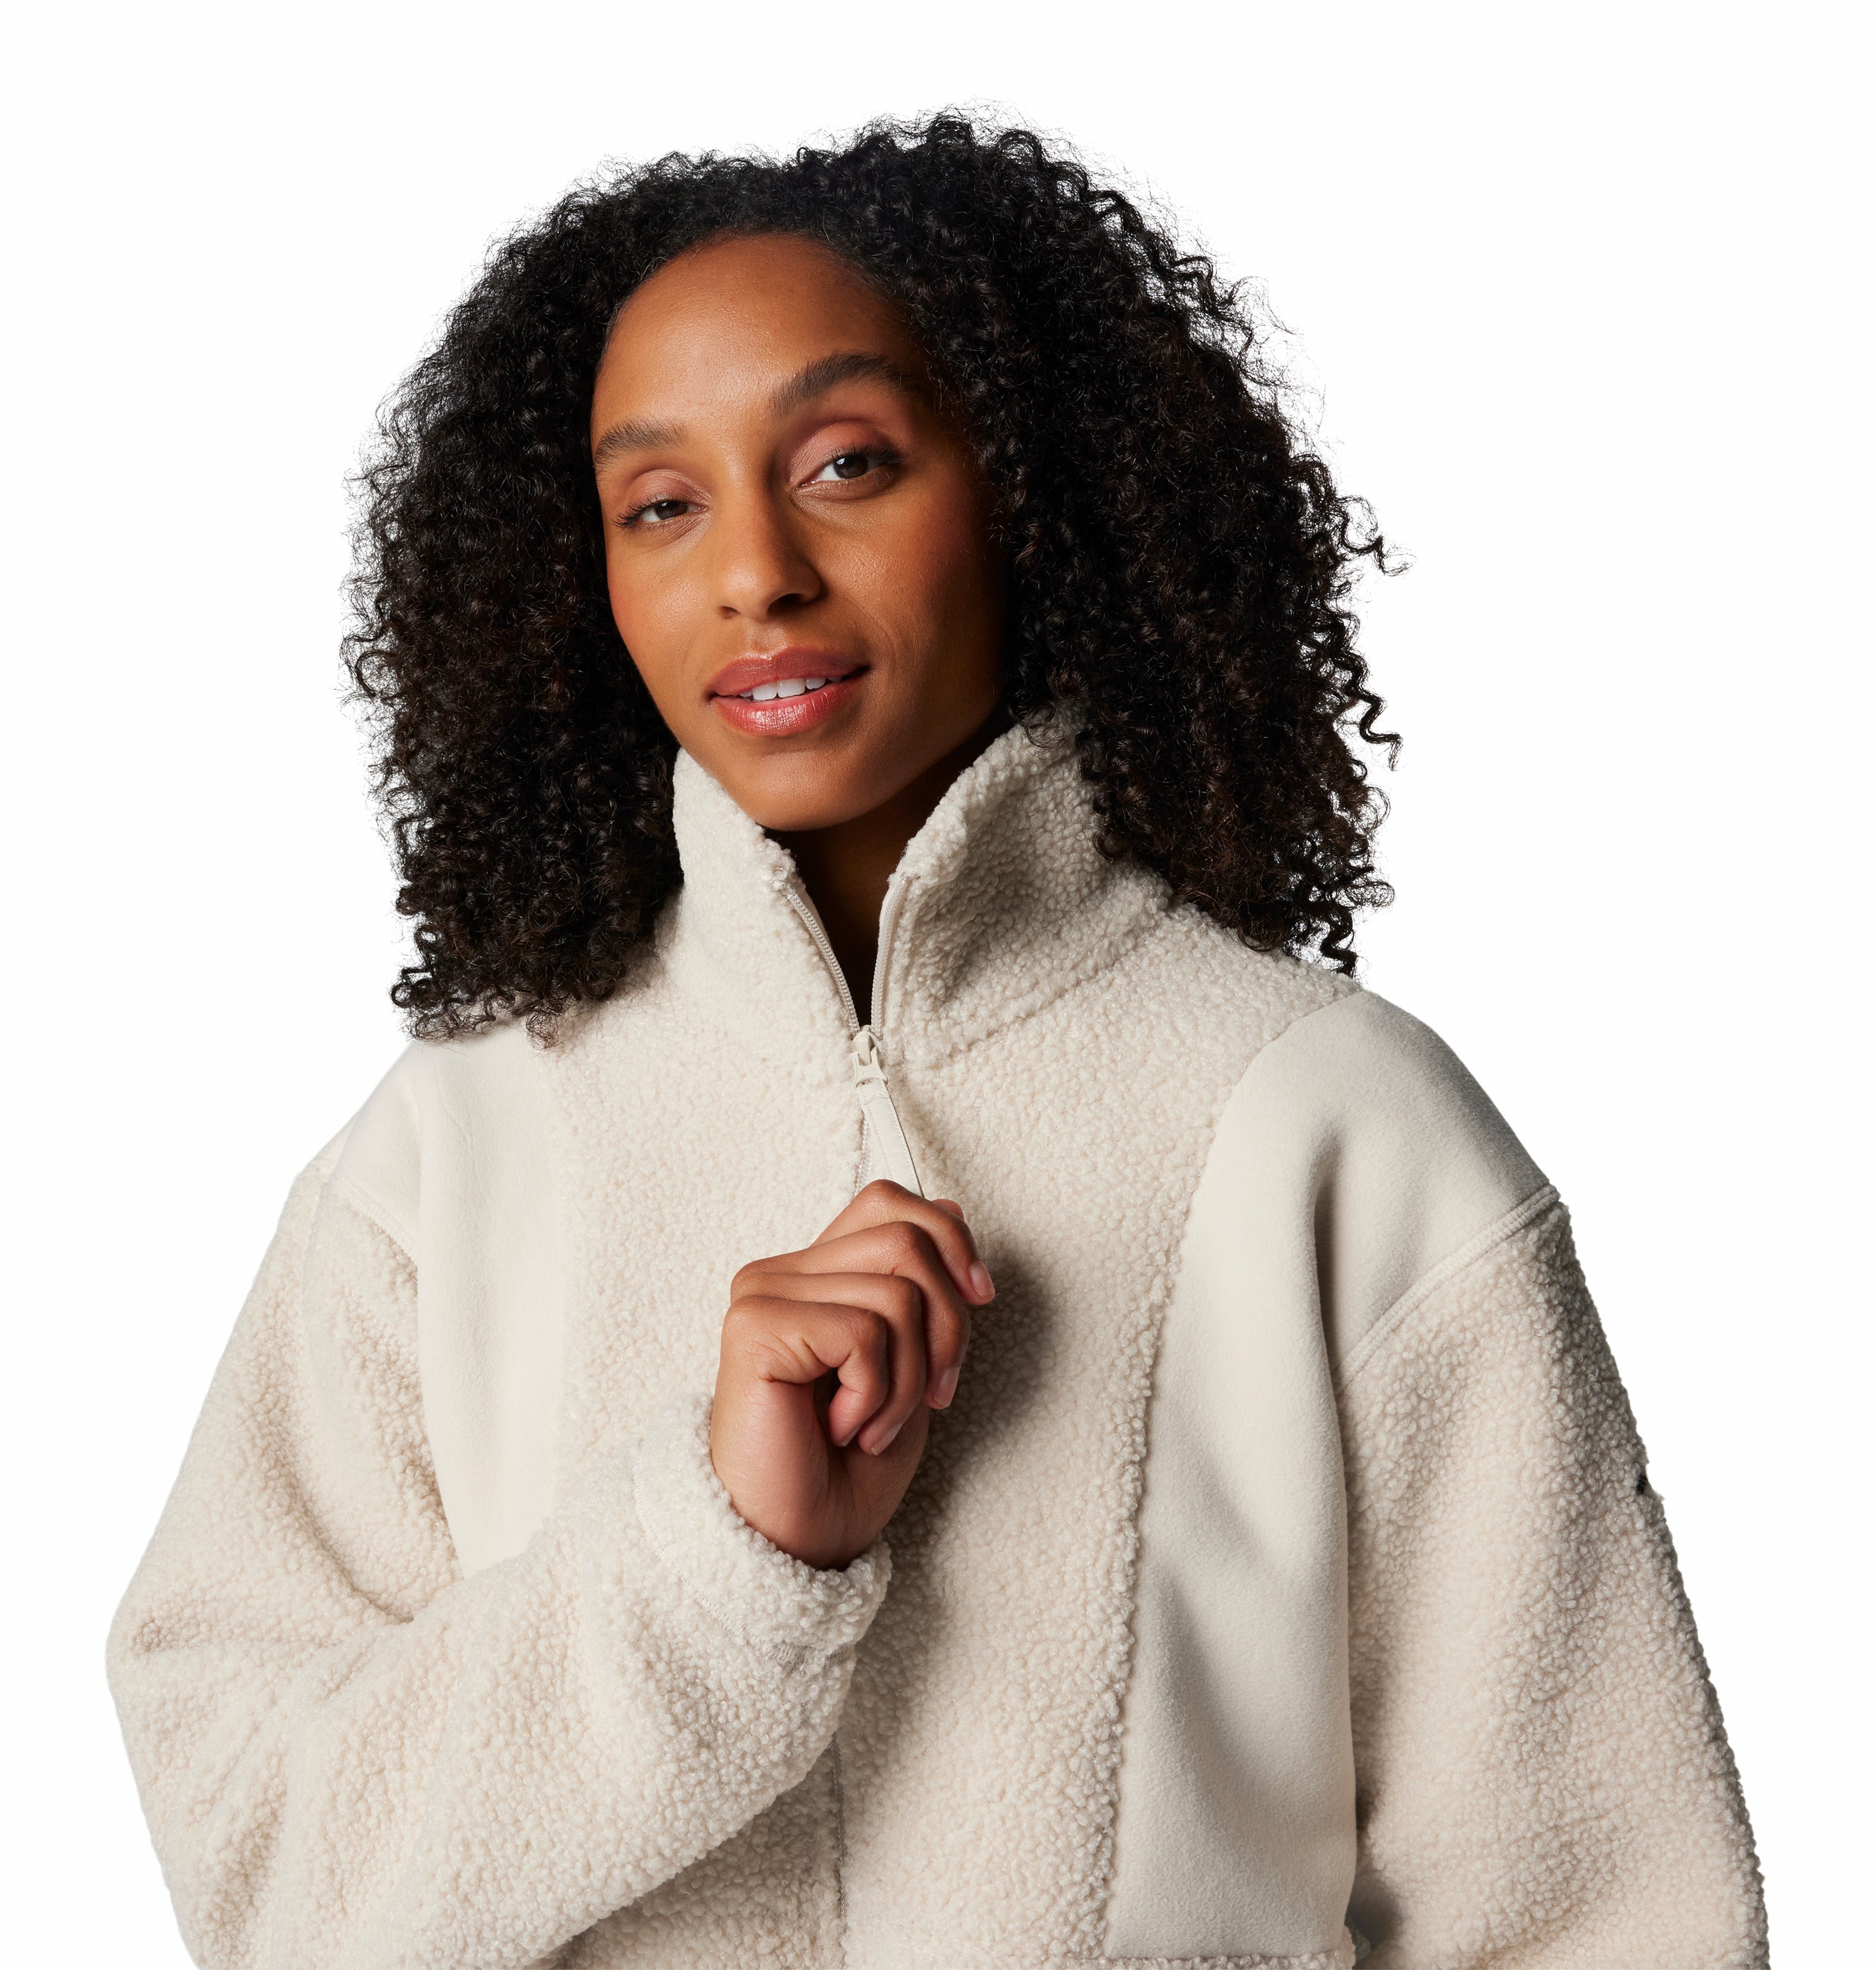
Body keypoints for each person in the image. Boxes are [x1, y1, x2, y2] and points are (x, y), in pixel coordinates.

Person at [108, 116, 1767, 1969]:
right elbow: (264, 1870)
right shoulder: (454, 1151)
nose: (756, 572)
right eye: (660, 504)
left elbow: (1601, 1911)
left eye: (847, 464)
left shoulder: (1334, 1124)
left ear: (1035, 491)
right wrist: (715, 1561)